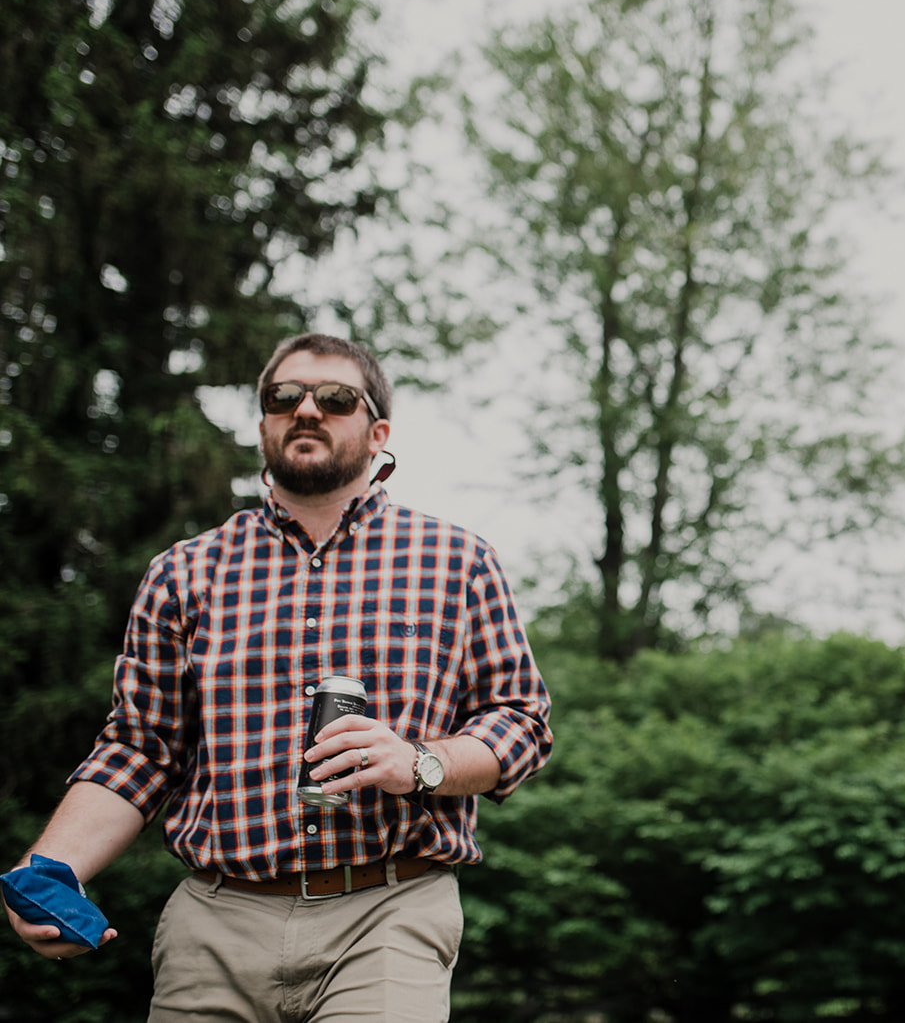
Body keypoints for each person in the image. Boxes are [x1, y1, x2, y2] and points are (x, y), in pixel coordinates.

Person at [6, 333, 553, 1021]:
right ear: (263, 422)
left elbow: (522, 722)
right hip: (216, 917)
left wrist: (420, 761)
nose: (306, 410)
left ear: (377, 429)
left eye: (334, 398)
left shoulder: (457, 560)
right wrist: (47, 870)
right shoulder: (185, 572)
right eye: (283, 397)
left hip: (388, 910)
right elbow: (139, 751)